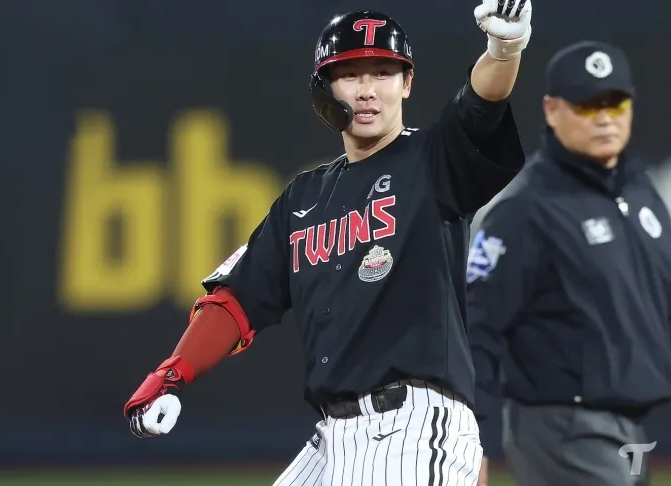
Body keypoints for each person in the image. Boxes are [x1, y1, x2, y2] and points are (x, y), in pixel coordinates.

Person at [123, 2, 533, 484]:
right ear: (325, 90)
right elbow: (237, 298)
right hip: (332, 437)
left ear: (406, 83)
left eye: (383, 72)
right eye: (350, 74)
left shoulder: (433, 159)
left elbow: (480, 105)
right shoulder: (304, 197)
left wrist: (504, 49)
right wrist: (173, 373)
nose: (366, 90)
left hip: (414, 425)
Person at [467, 40, 671, 486]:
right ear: (552, 110)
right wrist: (472, 441)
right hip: (562, 426)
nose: (603, 116)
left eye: (615, 102)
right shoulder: (526, 209)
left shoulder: (639, 194)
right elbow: (476, 332)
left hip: (632, 427)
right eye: (586, 103)